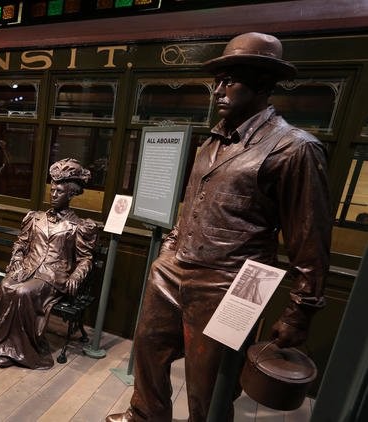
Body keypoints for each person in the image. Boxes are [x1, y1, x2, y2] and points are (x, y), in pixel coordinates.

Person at [106, 32, 331, 421]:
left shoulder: (293, 148)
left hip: (232, 281)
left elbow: (310, 239)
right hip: (175, 268)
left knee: (207, 378)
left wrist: (300, 312)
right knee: (147, 346)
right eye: (217, 81)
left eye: (230, 80)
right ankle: (146, 415)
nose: (219, 90)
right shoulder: (210, 143)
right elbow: (190, 207)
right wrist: (168, 253)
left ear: (261, 84)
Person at [0, 158, 99, 369]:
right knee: (5, 287)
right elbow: (20, 244)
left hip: (52, 276)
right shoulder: (35, 218)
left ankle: (16, 350)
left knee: (23, 293)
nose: (53, 194)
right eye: (52, 190)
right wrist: (17, 261)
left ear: (71, 194)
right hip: (28, 268)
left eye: (59, 191)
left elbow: (85, 259)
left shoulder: (78, 226)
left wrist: (76, 276)